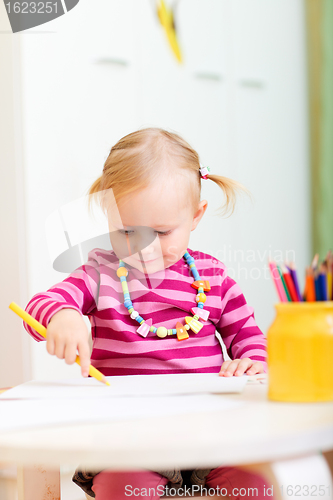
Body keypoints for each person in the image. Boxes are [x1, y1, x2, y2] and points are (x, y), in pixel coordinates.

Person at [23, 128, 270, 500]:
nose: (147, 248)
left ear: (196, 216)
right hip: (127, 440)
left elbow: (248, 336)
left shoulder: (213, 277)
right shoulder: (99, 274)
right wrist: (63, 316)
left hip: (213, 434)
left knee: (255, 485)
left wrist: (252, 360)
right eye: (127, 231)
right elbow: (40, 306)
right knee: (122, 488)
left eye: (163, 232)